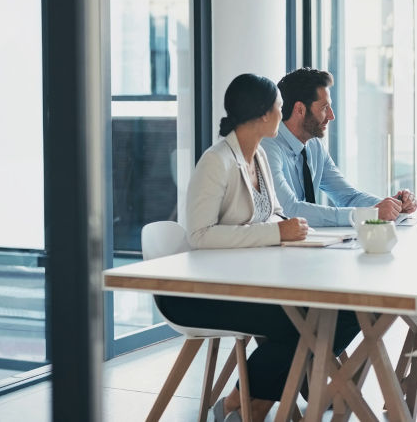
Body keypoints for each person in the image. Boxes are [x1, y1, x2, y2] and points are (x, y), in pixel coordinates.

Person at [153, 74, 360, 422]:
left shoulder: (259, 157)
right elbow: (200, 236)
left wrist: (297, 231)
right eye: (280, 108)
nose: (284, 115)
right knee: (302, 324)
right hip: (198, 294)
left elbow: (273, 212)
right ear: (264, 114)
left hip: (246, 281)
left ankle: (248, 405)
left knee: (347, 312)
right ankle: (246, 402)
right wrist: (276, 233)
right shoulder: (216, 162)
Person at [262, 67, 416, 227]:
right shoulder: (268, 147)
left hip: (309, 244)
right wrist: (370, 213)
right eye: (324, 108)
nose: (331, 116)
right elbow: (289, 210)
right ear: (300, 109)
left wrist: (393, 206)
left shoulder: (315, 146)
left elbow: (348, 197)